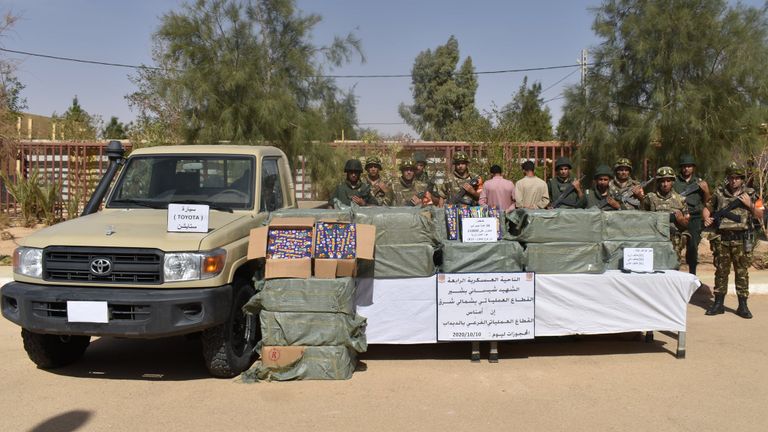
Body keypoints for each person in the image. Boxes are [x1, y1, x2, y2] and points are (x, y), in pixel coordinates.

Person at [703, 163, 763, 319]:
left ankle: (743, 306)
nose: (734, 181)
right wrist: (706, 218)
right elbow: (707, 208)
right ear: (727, 179)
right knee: (721, 272)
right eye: (731, 178)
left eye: (737, 178)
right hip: (722, 239)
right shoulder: (719, 193)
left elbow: (760, 214)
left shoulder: (751, 194)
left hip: (741, 240)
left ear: (742, 179)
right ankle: (718, 304)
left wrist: (749, 205)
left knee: (742, 273)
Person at [642, 166, 690, 265]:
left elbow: (686, 223)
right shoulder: (650, 198)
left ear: (673, 182)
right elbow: (642, 219)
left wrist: (680, 220)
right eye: (662, 181)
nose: (665, 184)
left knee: (673, 268)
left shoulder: (681, 199)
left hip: (674, 240)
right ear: (658, 182)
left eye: (668, 181)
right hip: (654, 239)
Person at [673, 154, 711, 275]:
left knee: (693, 247)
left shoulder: (699, 182)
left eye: (689, 166)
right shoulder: (674, 181)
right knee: (675, 246)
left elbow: (707, 202)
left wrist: (706, 191)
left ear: (693, 168)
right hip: (678, 217)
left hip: (695, 217)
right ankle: (674, 275)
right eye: (684, 166)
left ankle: (692, 275)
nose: (686, 169)